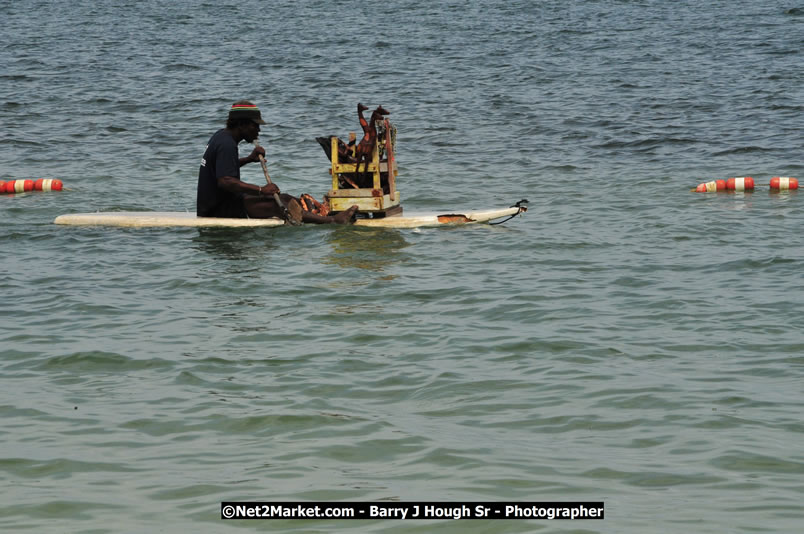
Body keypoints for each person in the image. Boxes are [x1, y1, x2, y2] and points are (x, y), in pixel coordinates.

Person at [197, 100, 358, 224]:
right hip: (218, 209)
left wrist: (248, 159)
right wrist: (261, 190)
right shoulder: (227, 144)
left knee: (285, 197)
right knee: (278, 205)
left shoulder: (222, 137)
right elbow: (225, 181)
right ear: (242, 125)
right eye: (255, 126)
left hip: (225, 201)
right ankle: (332, 221)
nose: (258, 130)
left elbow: (222, 168)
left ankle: (321, 215)